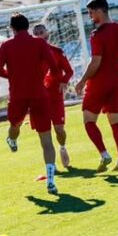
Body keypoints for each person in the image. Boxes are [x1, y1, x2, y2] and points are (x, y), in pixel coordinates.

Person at [0, 13, 61, 194]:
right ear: (28, 26)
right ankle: (51, 180)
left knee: (15, 125)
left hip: (18, 96)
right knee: (46, 139)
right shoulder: (39, 43)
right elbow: (54, 68)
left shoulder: (6, 45)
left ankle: (12, 139)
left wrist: (12, 76)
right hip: (39, 94)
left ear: (12, 28)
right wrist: (42, 76)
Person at [74, 0, 118, 172]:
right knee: (115, 120)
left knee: (88, 119)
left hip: (99, 82)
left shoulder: (97, 34)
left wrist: (82, 81)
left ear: (100, 11)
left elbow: (96, 62)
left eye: (92, 12)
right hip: (115, 81)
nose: (90, 16)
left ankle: (104, 154)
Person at [32, 23, 75, 169]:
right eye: (36, 33)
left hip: (55, 97)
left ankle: (62, 147)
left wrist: (63, 81)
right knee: (45, 133)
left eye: (41, 32)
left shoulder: (56, 51)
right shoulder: (30, 55)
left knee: (59, 130)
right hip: (38, 99)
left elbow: (69, 71)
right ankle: (51, 164)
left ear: (47, 34)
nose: (39, 34)